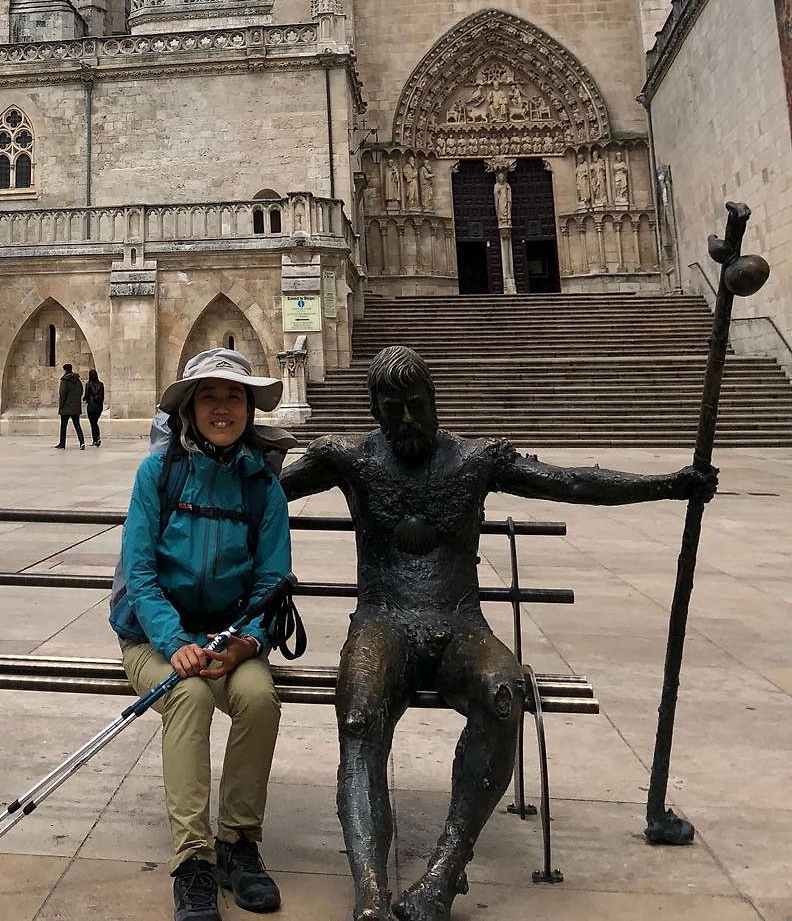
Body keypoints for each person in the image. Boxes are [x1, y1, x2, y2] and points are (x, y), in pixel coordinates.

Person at [280, 345, 717, 921]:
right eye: (392, 408)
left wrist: (668, 484)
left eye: (416, 404)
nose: (406, 419)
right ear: (374, 410)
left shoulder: (475, 460)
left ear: (435, 401)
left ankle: (444, 874)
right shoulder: (349, 459)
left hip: (460, 622)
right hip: (383, 620)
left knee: (503, 692)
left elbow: (572, 482)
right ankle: (370, 894)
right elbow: (259, 492)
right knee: (359, 714)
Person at [111, 348, 290, 921]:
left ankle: (238, 843)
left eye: (234, 396)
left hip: (231, 637)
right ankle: (193, 861)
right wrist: (175, 642)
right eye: (208, 396)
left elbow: (272, 582)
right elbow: (139, 575)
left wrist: (249, 641)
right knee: (186, 696)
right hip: (152, 638)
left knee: (259, 698)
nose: (222, 407)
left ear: (249, 410)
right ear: (189, 408)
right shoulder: (157, 475)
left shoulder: (263, 487)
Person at [56, 363, 84, 450]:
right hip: (75, 407)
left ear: (65, 370)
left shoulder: (64, 381)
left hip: (66, 407)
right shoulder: (77, 380)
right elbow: (81, 391)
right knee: (77, 425)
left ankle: (62, 443)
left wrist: (61, 406)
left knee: (63, 426)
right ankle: (82, 442)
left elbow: (62, 394)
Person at [84, 367, 105, 446]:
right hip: (99, 406)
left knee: (93, 423)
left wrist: (85, 399)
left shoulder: (88, 384)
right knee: (95, 422)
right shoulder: (101, 384)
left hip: (91, 406)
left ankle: (95, 440)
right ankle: (97, 437)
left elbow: (86, 395)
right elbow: (102, 396)